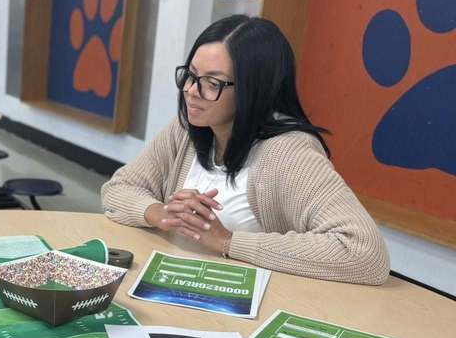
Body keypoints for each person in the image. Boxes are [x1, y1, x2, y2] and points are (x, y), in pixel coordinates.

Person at [101, 15, 389, 285]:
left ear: (255, 89)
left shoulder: (289, 152)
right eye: (190, 75)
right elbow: (119, 188)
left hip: (255, 304)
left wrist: (227, 242)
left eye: (212, 83)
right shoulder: (187, 129)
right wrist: (160, 213)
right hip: (183, 282)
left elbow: (364, 253)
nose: (191, 91)